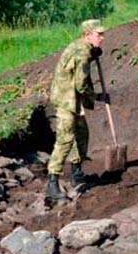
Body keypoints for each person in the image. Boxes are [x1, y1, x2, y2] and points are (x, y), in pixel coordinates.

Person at [46, 19, 108, 201]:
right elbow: (81, 84)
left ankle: (77, 174)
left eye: (102, 34)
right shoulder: (82, 52)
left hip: (73, 99)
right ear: (88, 35)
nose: (102, 38)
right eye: (99, 35)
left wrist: (93, 53)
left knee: (82, 133)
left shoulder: (83, 48)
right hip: (66, 100)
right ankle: (52, 183)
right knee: (65, 140)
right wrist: (96, 97)